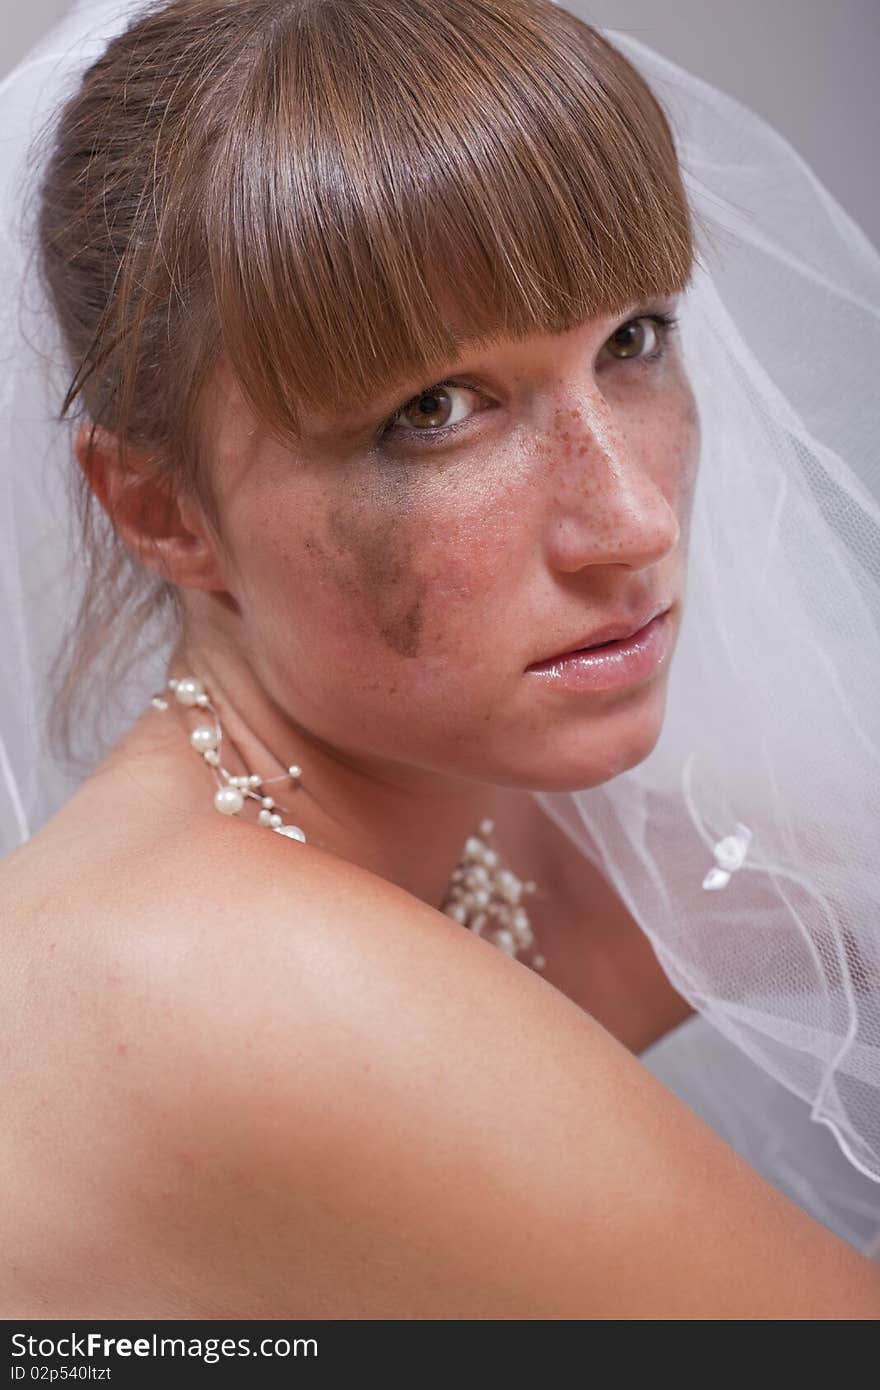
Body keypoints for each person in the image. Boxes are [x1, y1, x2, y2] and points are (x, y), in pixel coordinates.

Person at [1, 0, 878, 1318]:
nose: (633, 519)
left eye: (634, 339)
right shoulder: (245, 986)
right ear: (162, 511)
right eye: (438, 411)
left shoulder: (459, 842)